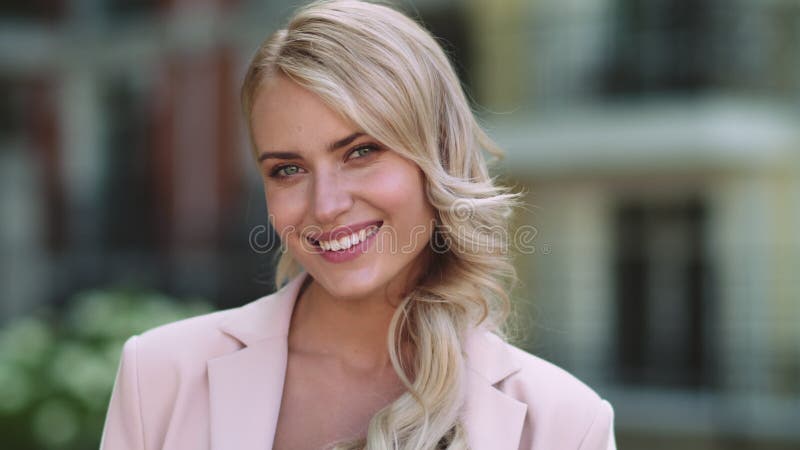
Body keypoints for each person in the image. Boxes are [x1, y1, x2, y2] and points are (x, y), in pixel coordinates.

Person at [100, 1, 616, 449]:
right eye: (288, 170)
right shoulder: (159, 375)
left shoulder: (566, 425)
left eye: (361, 151)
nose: (325, 205)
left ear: (436, 155)